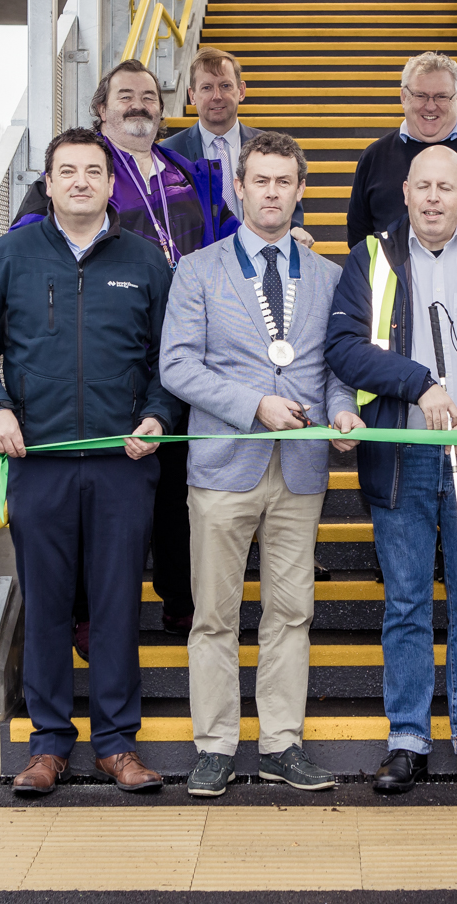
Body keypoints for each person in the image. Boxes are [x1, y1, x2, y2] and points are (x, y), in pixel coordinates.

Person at [0, 127, 179, 796]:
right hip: (40, 462)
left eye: (93, 171)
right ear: (47, 184)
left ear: (113, 184)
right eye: (67, 171)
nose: (81, 181)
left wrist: (159, 417)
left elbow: (171, 357)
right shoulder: (12, 255)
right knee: (46, 606)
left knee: (114, 606)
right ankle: (48, 747)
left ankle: (116, 744)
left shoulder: (144, 261)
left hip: (122, 464)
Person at [326, 144, 457, 796]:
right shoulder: (371, 255)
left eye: (445, 188)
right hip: (401, 454)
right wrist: (419, 383)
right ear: (405, 192)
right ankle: (408, 740)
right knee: (406, 602)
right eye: (422, 186)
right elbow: (342, 346)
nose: (432, 199)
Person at [160, 131, 364, 798]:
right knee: (213, 615)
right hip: (223, 465)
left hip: (301, 469)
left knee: (291, 612)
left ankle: (281, 742)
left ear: (300, 191)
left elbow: (338, 366)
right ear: (238, 189)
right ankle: (215, 746)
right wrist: (255, 405)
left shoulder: (331, 276)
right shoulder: (199, 269)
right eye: (261, 180)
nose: (272, 191)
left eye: (285, 181)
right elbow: (177, 365)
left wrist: (342, 411)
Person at [9, 59, 237, 643]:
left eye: (149, 96)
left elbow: (232, 233)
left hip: (187, 346)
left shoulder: (185, 170)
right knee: (110, 480)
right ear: (101, 108)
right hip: (111, 353)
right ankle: (86, 612)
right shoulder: (83, 175)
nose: (140, 104)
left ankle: (180, 598)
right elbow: (29, 247)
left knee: (177, 478)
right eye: (126, 96)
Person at [344, 51, 457, 248]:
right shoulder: (374, 157)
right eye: (420, 95)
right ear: (403, 97)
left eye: (441, 97)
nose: (430, 106)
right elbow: (358, 237)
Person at [160, 46, 310, 240]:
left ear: (241, 90)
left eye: (225, 86)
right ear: (192, 96)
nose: (217, 96)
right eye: (206, 88)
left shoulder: (271, 147)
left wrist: (294, 231)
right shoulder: (169, 153)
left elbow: (289, 201)